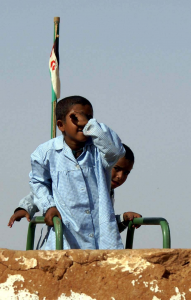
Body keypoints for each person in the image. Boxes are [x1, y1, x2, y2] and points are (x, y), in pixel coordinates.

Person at [16, 95, 126, 250]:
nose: (83, 122)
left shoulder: (99, 150)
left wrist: (92, 126)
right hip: (65, 238)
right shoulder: (45, 153)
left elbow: (116, 151)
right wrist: (48, 206)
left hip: (100, 241)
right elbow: (38, 184)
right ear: (61, 125)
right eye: (76, 118)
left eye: (88, 117)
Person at [8, 144, 142, 233]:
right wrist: (24, 208)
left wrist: (124, 219)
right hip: (64, 247)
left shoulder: (107, 193)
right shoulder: (80, 180)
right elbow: (42, 191)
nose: (120, 176)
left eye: (126, 173)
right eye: (117, 169)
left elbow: (103, 229)